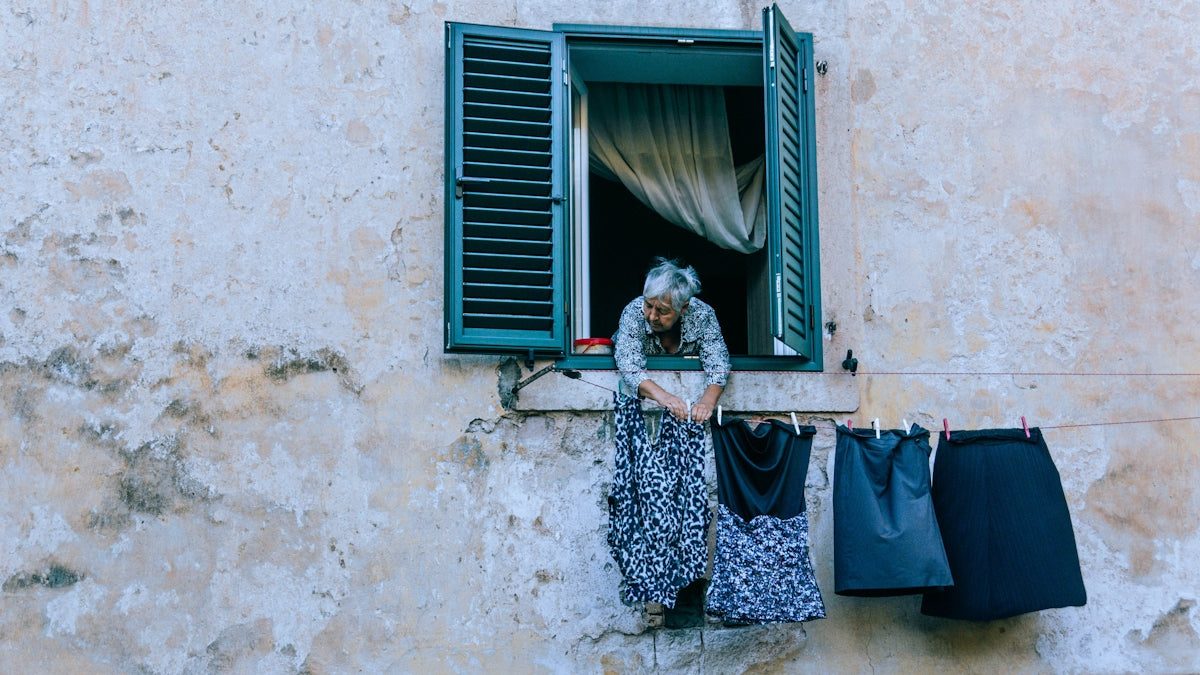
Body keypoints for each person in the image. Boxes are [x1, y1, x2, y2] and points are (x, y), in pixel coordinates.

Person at [613, 258, 730, 422]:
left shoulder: (703, 315)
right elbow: (628, 364)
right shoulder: (633, 311)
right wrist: (664, 397)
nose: (652, 316)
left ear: (683, 308)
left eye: (662, 311)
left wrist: (707, 403)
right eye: (648, 305)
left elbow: (718, 364)